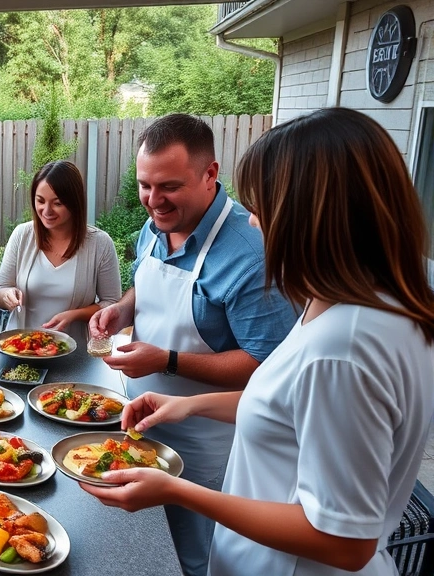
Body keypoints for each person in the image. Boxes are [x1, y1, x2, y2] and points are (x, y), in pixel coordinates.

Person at [83, 107, 434, 576]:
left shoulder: (343, 351)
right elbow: (291, 406)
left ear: (315, 213)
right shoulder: (363, 304)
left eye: (267, 206)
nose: (254, 223)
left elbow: (345, 541)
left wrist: (176, 489)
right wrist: (189, 405)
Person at [87, 114, 298, 576]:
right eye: (145, 185)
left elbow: (267, 367)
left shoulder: (251, 252)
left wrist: (167, 360)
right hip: (137, 422)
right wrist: (121, 311)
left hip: (207, 447)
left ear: (210, 174)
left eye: (168, 187)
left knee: (192, 559)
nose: (153, 201)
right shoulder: (154, 226)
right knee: (134, 552)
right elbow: (144, 285)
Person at [0, 160, 121, 344]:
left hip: (72, 352)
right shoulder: (22, 235)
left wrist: (75, 315)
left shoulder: (100, 243)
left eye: (57, 203)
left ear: (74, 202)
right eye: (40, 201)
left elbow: (112, 303)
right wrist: (7, 296)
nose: (47, 211)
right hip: (19, 347)